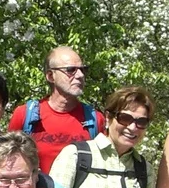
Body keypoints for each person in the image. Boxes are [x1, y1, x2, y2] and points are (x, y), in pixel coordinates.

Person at [8, 45, 105, 173]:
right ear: (50, 76)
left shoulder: (95, 120)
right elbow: (7, 163)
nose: (80, 75)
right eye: (71, 70)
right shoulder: (25, 115)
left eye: (83, 69)